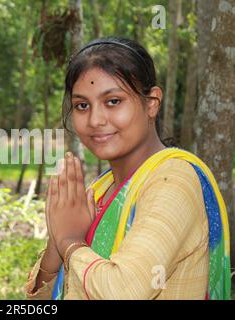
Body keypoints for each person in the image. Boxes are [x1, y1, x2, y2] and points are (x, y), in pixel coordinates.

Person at [24, 37, 231, 300]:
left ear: (152, 103)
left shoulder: (175, 180)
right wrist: (58, 241)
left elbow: (124, 291)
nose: (96, 120)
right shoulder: (101, 189)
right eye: (82, 105)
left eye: (113, 101)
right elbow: (42, 299)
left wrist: (70, 242)